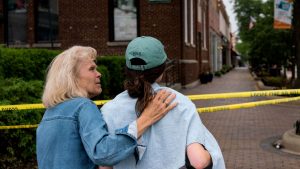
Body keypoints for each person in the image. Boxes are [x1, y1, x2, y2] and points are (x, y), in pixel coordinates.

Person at [36, 46, 177, 169]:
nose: (99, 74)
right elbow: (103, 153)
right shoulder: (83, 106)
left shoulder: (49, 114)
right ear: (71, 77)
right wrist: (146, 119)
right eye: (92, 69)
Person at [99, 36, 226, 169]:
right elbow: (198, 161)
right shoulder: (180, 103)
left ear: (127, 69)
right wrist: (212, 155)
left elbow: (105, 165)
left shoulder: (109, 110)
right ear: (162, 70)